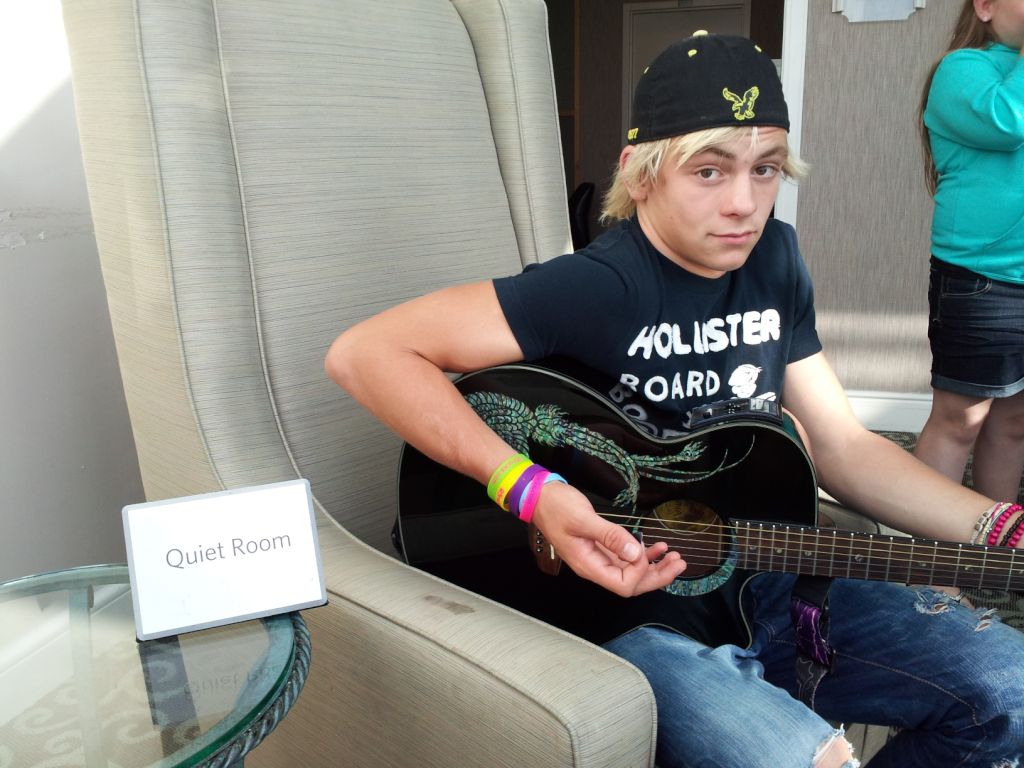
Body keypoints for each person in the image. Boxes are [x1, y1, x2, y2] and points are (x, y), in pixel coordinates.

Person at [327, 31, 1024, 768]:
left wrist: (1001, 526)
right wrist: (531, 490)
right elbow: (366, 354)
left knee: (1009, 690)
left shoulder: (776, 260)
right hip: (626, 617)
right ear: (641, 172)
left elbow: (843, 448)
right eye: (709, 170)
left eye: (765, 169)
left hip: (762, 576)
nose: (744, 204)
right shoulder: (598, 286)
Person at [913, 0, 1024, 504]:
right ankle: (929, 548)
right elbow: (1009, 121)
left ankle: (995, 542)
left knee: (1015, 422)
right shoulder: (961, 69)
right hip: (983, 280)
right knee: (961, 419)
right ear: (984, 6)